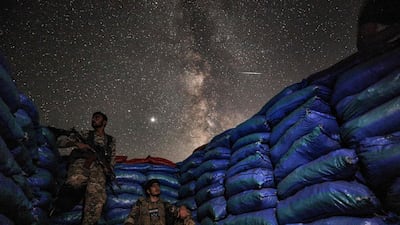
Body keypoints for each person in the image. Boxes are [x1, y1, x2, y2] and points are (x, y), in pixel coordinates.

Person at [50, 111, 116, 225]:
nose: (93, 120)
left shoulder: (110, 140)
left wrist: (109, 168)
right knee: (75, 183)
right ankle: (56, 208)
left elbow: (112, 158)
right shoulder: (85, 134)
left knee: (96, 198)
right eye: (93, 118)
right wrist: (76, 144)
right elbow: (60, 141)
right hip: (82, 164)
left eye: (97, 118)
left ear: (104, 122)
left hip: (99, 170)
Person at [124, 179, 195, 225]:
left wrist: (183, 208)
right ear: (148, 191)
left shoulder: (164, 204)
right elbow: (131, 216)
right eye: (153, 186)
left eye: (158, 186)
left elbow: (177, 211)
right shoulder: (141, 202)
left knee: (187, 220)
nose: (157, 188)